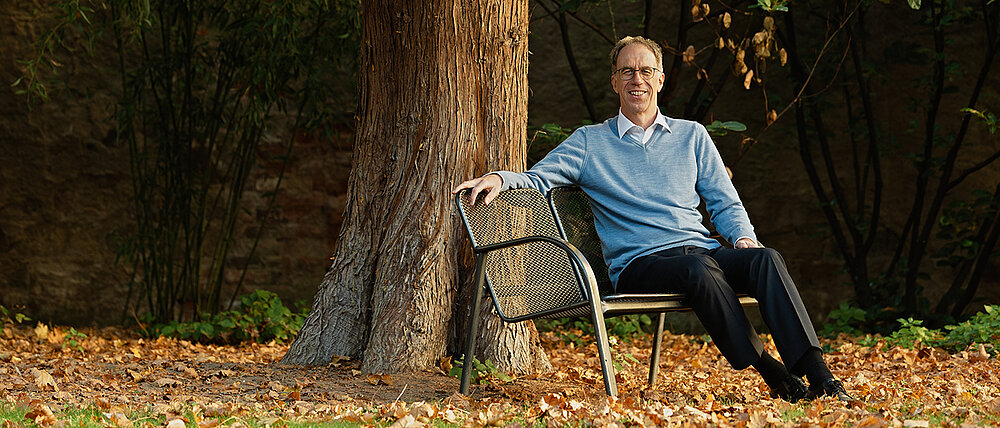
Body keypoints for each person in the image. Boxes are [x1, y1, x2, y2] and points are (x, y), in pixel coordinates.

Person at [452, 36, 854, 403]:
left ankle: (819, 376)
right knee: (699, 267)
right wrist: (498, 177)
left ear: (660, 80)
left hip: (701, 254)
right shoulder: (590, 142)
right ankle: (772, 371)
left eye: (645, 71)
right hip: (639, 266)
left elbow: (723, 201)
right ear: (614, 82)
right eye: (627, 71)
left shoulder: (691, 135)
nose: (636, 79)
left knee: (766, 259)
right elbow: (539, 178)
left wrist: (744, 239)